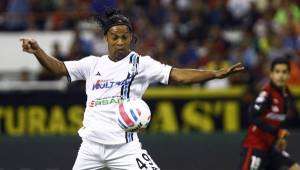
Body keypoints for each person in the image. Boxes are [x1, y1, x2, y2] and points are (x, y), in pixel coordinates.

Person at [20, 9, 244, 170]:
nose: (119, 42)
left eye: (124, 37)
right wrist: (38, 51)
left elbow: (177, 75)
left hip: (125, 149)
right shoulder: (92, 64)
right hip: (91, 147)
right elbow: (59, 68)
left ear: (131, 38)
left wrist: (214, 74)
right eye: (114, 37)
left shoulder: (141, 64)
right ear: (106, 38)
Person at [238, 57, 300, 170]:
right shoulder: (266, 94)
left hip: (272, 147)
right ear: (271, 74)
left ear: (289, 75)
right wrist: (277, 131)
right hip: (256, 145)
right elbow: (252, 116)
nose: (280, 76)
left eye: (284, 72)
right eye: (277, 72)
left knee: (295, 167)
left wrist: (280, 137)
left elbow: (278, 120)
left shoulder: (287, 96)